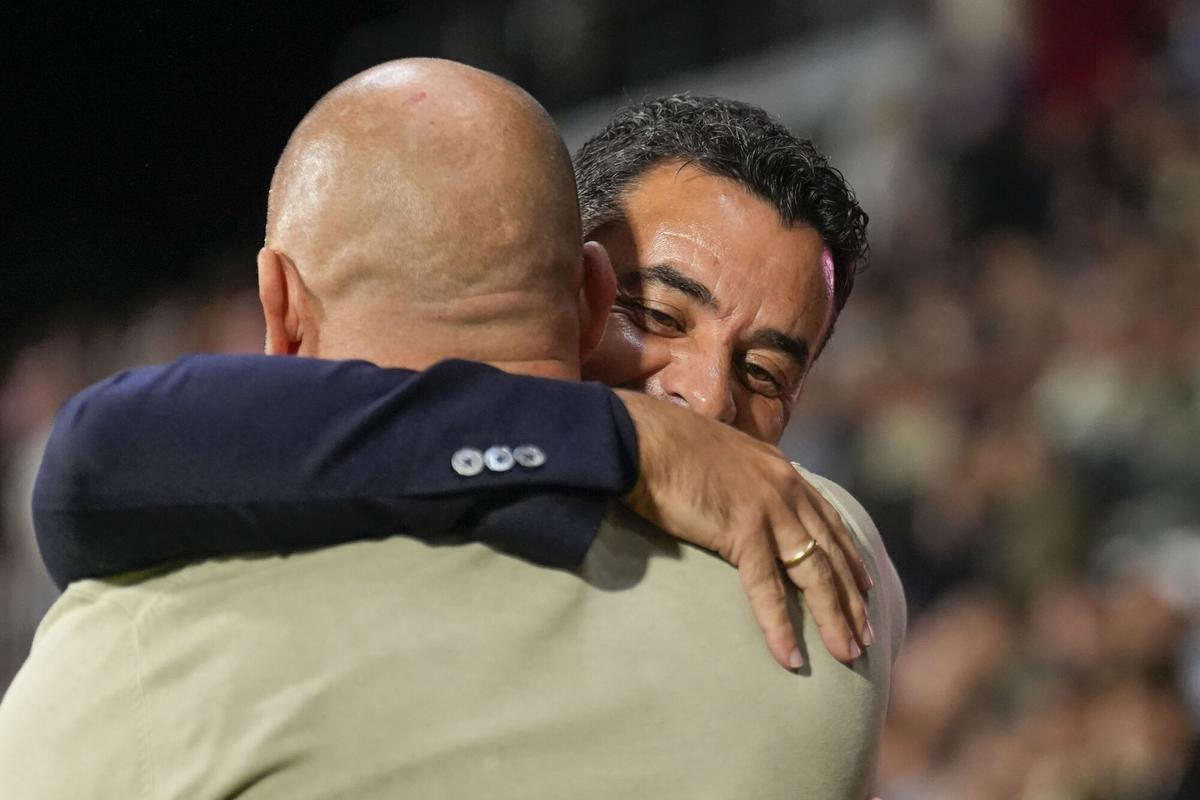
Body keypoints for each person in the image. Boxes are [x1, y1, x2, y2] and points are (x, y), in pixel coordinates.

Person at [0, 60, 902, 798]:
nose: (704, 402)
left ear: (280, 307)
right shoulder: (837, 573)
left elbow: (98, 459)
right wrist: (606, 436)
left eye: (765, 373)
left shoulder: (144, 642)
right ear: (583, 294)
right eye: (657, 314)